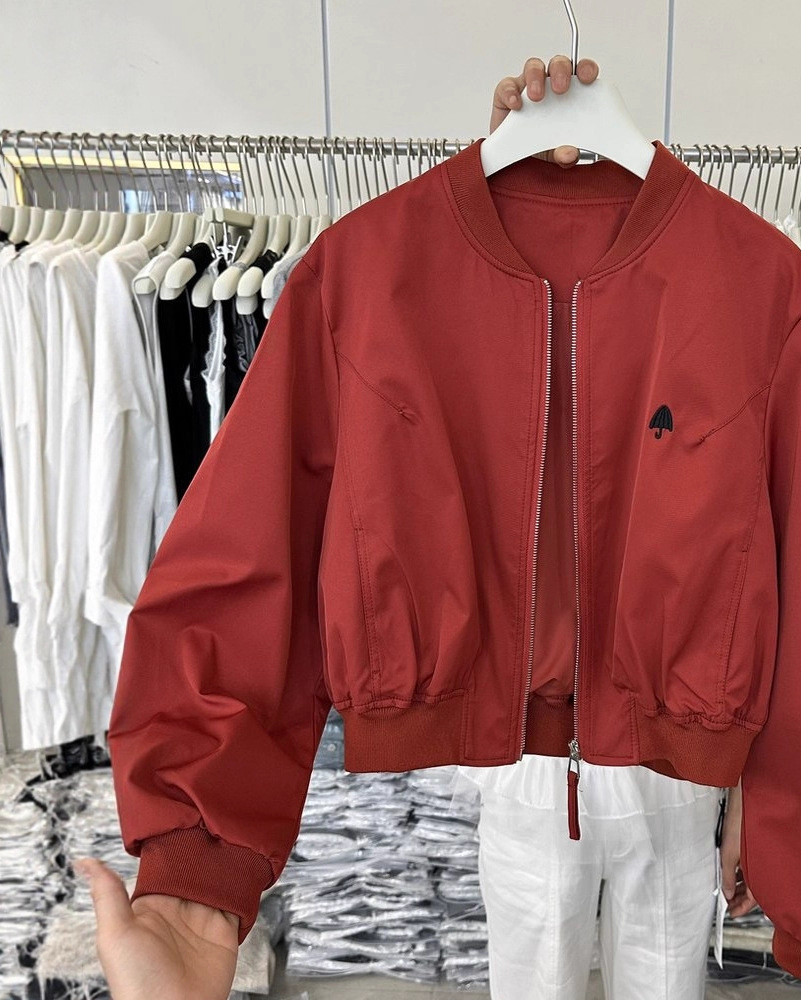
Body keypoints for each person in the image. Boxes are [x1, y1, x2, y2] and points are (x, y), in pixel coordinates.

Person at [73, 55, 753, 1000]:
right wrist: (198, 875)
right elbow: (251, 559)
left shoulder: (751, 280)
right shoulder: (368, 273)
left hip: (677, 769)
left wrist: (780, 796)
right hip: (514, 763)